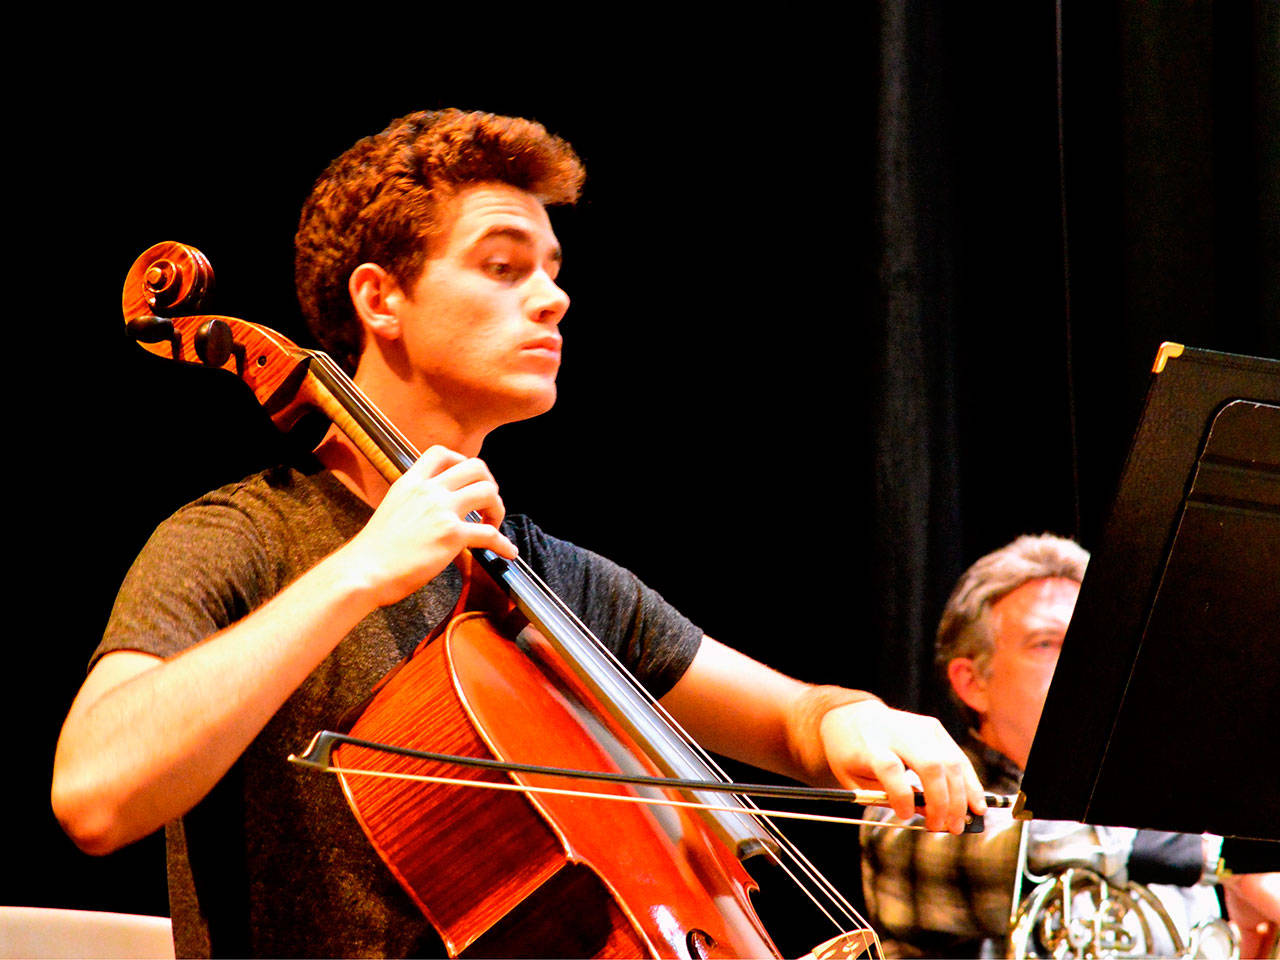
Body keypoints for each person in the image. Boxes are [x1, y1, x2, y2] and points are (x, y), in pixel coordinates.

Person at [50, 108, 987, 958]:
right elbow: (96, 794)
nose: (552, 298)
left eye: (552, 271)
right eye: (503, 267)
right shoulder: (240, 540)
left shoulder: (555, 581)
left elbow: (792, 722)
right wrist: (359, 572)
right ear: (381, 299)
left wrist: (856, 721)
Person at [859, 533, 1279, 958]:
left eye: (1095, 642)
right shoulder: (906, 800)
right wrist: (1223, 857)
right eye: (1045, 644)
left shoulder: (1161, 812)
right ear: (973, 682)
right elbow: (1019, 845)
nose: (1085, 663)